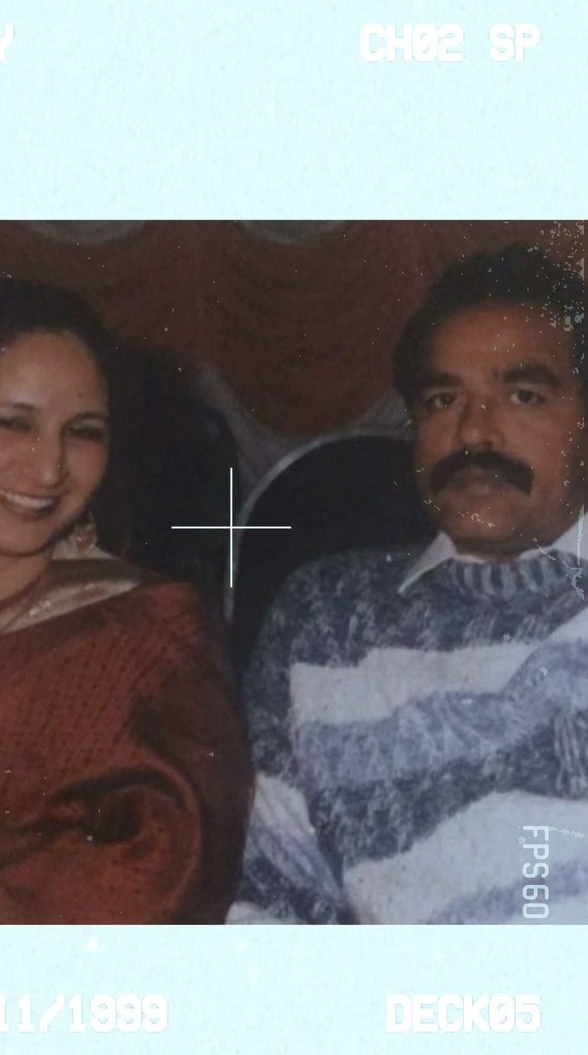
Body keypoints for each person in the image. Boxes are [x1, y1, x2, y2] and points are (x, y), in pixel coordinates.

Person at [0, 279, 251, 924]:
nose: (49, 468)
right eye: (12, 423)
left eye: (82, 432)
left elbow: (163, 880)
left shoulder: (143, 634)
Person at [232, 244, 588, 924]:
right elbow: (273, 897)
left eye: (523, 395)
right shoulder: (327, 618)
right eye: (442, 399)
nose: (473, 431)